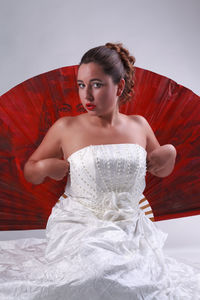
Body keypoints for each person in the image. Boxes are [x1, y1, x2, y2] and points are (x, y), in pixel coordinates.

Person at [0, 42, 199, 299]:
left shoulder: (139, 125)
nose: (87, 96)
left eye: (97, 84)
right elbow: (30, 171)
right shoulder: (66, 127)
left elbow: (160, 171)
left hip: (131, 226)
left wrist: (169, 153)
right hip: (80, 223)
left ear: (120, 86)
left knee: (138, 280)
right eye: (81, 85)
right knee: (96, 274)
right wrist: (47, 167)